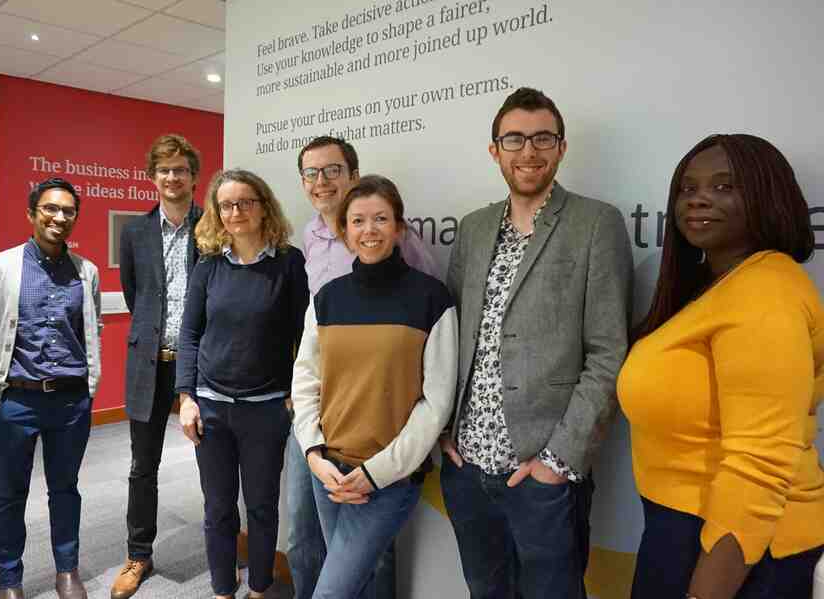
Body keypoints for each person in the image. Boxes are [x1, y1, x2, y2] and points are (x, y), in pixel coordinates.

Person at [439, 87, 633, 599]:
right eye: (515, 139)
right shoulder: (475, 227)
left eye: (543, 138)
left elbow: (608, 352)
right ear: (494, 149)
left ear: (561, 147)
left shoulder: (596, 223)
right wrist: (444, 430)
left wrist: (559, 461)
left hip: (542, 471)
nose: (529, 151)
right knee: (486, 590)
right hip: (466, 466)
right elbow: (452, 339)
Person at [618, 134, 824, 599]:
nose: (699, 198)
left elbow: (760, 463)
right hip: (687, 532)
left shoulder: (765, 292)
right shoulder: (719, 285)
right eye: (687, 189)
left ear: (766, 196)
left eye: (724, 186)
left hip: (737, 551)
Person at [287, 135, 439, 599]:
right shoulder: (309, 237)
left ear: (352, 176)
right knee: (304, 532)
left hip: (380, 429)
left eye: (332, 170)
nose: (321, 181)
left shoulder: (402, 247)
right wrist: (307, 419)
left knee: (374, 552)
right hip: (322, 420)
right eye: (311, 173)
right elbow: (311, 340)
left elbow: (422, 328)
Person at [0, 177, 102, 599]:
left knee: (66, 490)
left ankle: (67, 570)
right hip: (16, 400)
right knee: (8, 495)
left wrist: (90, 387)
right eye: (50, 209)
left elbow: (90, 331)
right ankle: (9, 579)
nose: (59, 217)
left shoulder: (87, 272)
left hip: (70, 400)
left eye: (68, 211)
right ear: (32, 213)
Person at [176, 169, 308, 599]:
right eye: (227, 205)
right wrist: (187, 397)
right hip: (211, 407)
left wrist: (293, 392)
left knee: (262, 507)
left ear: (263, 205)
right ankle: (221, 589)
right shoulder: (208, 265)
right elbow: (190, 334)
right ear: (217, 212)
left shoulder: (288, 262)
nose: (236, 212)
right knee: (217, 509)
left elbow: (303, 334)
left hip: (266, 409)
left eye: (245, 202)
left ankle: (258, 588)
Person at [110, 134, 204, 599]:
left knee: (214, 464)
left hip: (204, 367)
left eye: (181, 170)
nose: (173, 177)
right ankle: (138, 555)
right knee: (142, 467)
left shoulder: (213, 227)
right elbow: (135, 294)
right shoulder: (135, 232)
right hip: (150, 363)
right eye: (164, 170)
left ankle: (224, 546)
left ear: (193, 177)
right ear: (153, 177)